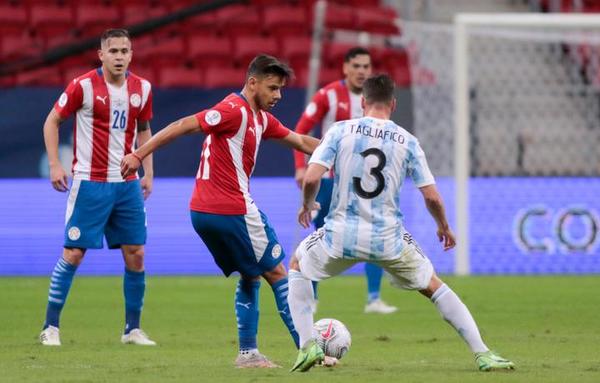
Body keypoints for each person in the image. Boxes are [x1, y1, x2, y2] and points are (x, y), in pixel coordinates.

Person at [287, 74, 515, 372]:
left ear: (364, 102)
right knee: (434, 286)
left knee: (297, 266)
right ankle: (483, 353)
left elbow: (313, 177)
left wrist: (308, 204)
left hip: (339, 236)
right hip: (389, 240)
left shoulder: (339, 131)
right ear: (393, 104)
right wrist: (443, 226)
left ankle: (307, 347)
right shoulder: (408, 141)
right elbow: (432, 197)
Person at [120, 55, 320, 368]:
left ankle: (248, 354)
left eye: (280, 89)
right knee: (279, 272)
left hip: (202, 212)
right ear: (252, 82)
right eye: (272, 88)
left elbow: (301, 141)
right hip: (233, 208)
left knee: (251, 274)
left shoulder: (261, 119)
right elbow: (183, 125)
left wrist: (339, 148)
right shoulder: (233, 109)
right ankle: (310, 350)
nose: (278, 96)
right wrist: (138, 154)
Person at [39, 29, 156, 346]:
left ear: (131, 54)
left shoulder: (142, 89)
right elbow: (52, 121)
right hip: (90, 182)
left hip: (127, 185)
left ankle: (132, 329)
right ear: (101, 54)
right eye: (113, 51)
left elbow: (144, 130)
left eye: (125, 51)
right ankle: (50, 327)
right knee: (74, 253)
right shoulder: (82, 86)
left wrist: (148, 171)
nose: (119, 56)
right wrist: (54, 164)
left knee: (136, 254)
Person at [293, 47, 396, 314]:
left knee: (374, 232)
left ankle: (374, 299)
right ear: (345, 68)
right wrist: (301, 168)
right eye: (357, 66)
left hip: (366, 182)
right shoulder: (328, 95)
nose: (362, 71)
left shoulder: (373, 99)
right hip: (329, 180)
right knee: (321, 234)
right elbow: (301, 131)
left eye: (366, 66)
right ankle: (312, 298)